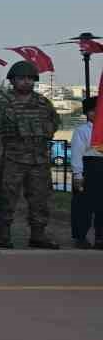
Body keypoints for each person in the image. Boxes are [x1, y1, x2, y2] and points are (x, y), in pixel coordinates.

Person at [0, 60, 61, 249]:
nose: (26, 82)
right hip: (12, 158)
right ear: (12, 80)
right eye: (21, 78)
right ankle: (1, 235)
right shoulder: (2, 101)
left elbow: (54, 121)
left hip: (38, 158)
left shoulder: (42, 102)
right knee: (6, 198)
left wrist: (46, 133)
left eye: (30, 79)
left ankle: (38, 235)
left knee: (40, 199)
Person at [71, 97, 99, 249]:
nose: (96, 113)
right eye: (93, 111)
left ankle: (100, 237)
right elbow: (77, 154)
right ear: (87, 113)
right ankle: (80, 236)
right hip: (87, 169)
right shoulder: (82, 131)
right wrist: (78, 175)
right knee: (83, 206)